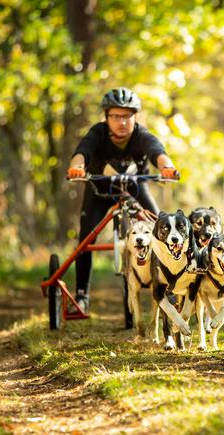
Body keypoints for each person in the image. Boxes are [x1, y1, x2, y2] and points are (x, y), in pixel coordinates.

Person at [66, 87, 179, 313]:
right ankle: (82, 295)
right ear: (106, 117)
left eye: (127, 116)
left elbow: (157, 151)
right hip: (99, 193)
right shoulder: (97, 134)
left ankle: (169, 287)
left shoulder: (141, 135)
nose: (121, 122)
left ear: (135, 116)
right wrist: (76, 167)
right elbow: (83, 152)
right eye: (115, 116)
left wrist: (167, 167)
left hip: (135, 190)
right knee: (86, 239)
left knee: (161, 228)